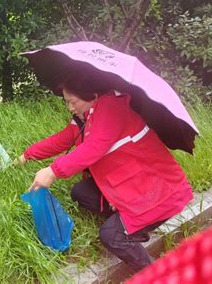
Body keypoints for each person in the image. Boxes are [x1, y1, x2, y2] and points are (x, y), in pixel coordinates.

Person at [17, 75, 193, 273]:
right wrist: (26, 156)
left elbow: (95, 146)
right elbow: (62, 140)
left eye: (73, 102)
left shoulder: (111, 107)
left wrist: (53, 171)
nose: (70, 108)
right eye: (67, 103)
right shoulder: (87, 116)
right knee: (82, 192)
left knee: (111, 235)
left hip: (157, 190)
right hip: (132, 182)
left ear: (91, 94)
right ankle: (128, 225)